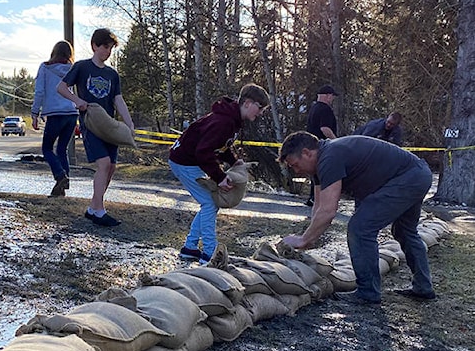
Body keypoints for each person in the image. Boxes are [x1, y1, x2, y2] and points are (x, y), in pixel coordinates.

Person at [278, 131, 436, 305]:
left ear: (307, 153)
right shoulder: (321, 161)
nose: (296, 171)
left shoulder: (330, 157)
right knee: (405, 231)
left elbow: (329, 211)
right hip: (416, 174)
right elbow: (319, 206)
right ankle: (423, 287)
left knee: (360, 229)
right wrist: (308, 237)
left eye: (295, 165)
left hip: (409, 177)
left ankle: (368, 292)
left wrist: (303, 240)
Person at [169, 83, 271, 265]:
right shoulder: (224, 122)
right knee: (209, 203)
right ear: (247, 103)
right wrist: (220, 177)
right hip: (184, 162)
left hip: (190, 161)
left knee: (209, 204)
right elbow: (203, 152)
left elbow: (220, 146)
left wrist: (233, 161)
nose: (261, 112)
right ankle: (209, 252)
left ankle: (190, 247)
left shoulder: (231, 120)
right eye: (260, 107)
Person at [57, 28, 135, 226]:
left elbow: (118, 99)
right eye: (104, 47)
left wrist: (129, 122)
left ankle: (93, 208)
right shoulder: (82, 67)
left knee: (111, 167)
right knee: (104, 163)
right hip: (90, 123)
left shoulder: (112, 75)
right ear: (94, 46)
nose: (107, 52)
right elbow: (62, 87)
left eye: (110, 48)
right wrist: (77, 100)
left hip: (109, 125)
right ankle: (100, 210)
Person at [31, 40, 77, 197]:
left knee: (47, 148)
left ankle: (60, 176)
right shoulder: (72, 68)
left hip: (55, 114)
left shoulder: (45, 67)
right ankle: (62, 187)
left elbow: (39, 92)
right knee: (62, 149)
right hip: (71, 113)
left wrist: (35, 113)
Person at [303, 84, 339, 206]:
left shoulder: (314, 108)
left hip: (311, 145)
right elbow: (325, 129)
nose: (332, 99)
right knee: (322, 173)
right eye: (332, 96)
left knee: (315, 172)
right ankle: (319, 199)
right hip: (322, 146)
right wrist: (336, 142)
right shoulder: (325, 109)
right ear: (328, 96)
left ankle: (313, 197)